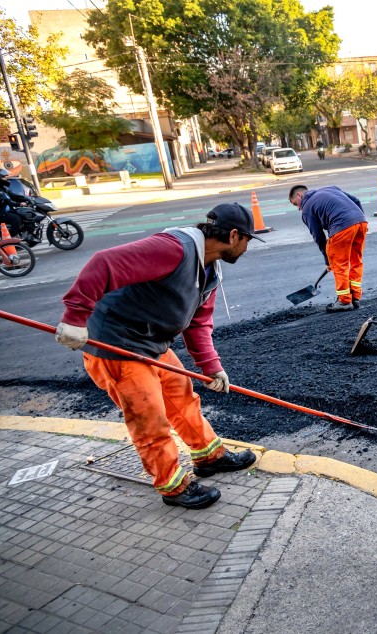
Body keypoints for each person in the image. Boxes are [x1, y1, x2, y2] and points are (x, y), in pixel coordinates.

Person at [53, 203, 262, 509]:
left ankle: (208, 455)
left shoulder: (210, 268)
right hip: (116, 344)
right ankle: (172, 486)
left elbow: (198, 323)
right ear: (234, 236)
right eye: (247, 240)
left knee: (181, 395)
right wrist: (75, 317)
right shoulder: (174, 248)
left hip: (150, 341)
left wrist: (212, 367)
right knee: (149, 417)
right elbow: (104, 263)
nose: (246, 247)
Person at [289, 184, 368, 312]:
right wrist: (360, 221)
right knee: (356, 261)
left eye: (295, 204)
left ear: (299, 195)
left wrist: (328, 260)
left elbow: (319, 237)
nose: (298, 208)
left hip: (341, 226)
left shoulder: (307, 208)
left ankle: (344, 301)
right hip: (361, 223)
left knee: (339, 264)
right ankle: (355, 297)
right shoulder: (332, 188)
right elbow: (356, 201)